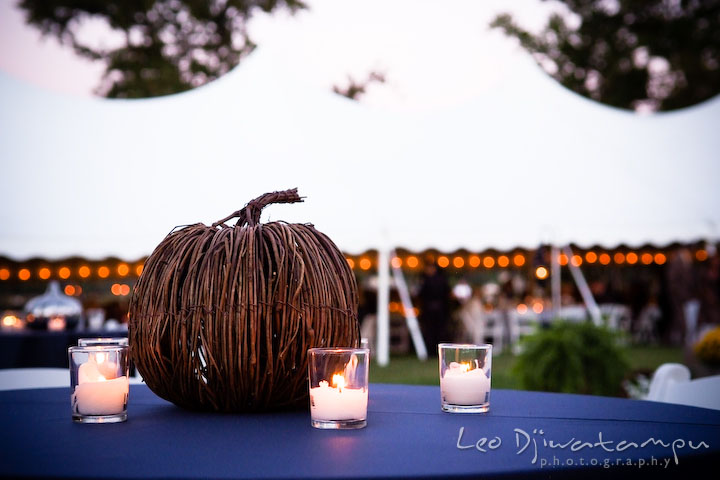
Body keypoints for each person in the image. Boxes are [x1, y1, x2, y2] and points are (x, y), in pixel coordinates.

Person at [417, 261, 451, 355]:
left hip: (439, 312)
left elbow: (446, 295)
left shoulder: (440, 280)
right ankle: (430, 351)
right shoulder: (425, 280)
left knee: (439, 332)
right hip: (429, 312)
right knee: (429, 332)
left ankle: (438, 352)